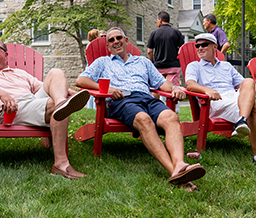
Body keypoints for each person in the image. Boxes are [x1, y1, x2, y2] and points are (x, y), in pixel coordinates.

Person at [76, 28, 206, 190]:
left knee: (171, 117)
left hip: (147, 98)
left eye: (119, 38)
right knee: (143, 119)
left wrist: (175, 88)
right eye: (111, 40)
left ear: (126, 40)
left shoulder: (143, 61)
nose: (116, 41)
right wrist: (108, 89)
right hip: (122, 100)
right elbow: (81, 80)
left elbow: (161, 83)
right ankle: (174, 172)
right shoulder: (103, 62)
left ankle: (179, 164)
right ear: (108, 46)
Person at [0, 38, 90, 179]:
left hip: (32, 102)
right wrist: (0, 93)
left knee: (56, 73)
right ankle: (61, 164)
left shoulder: (20, 73)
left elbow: (47, 86)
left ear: (6, 54)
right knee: (56, 105)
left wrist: (66, 90)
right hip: (10, 110)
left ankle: (62, 104)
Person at [185, 33, 256, 170]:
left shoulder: (226, 66)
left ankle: (242, 121)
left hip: (233, 98)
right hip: (213, 102)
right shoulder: (194, 66)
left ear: (215, 47)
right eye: (197, 45)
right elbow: (190, 84)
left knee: (248, 81)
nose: (200, 48)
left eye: (204, 44)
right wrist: (207, 90)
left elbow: (245, 85)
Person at [147, 11, 184, 85]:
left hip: (159, 67)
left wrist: (152, 64)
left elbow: (149, 51)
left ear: (160, 20)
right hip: (173, 66)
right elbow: (182, 49)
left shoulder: (154, 33)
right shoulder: (176, 32)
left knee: (157, 89)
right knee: (173, 91)